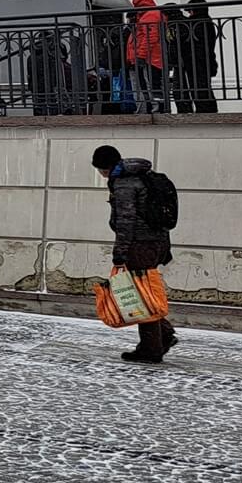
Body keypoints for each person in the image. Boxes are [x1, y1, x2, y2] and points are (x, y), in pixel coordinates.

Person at [93, 145, 179, 364]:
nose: (101, 174)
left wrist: (119, 253)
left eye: (100, 169)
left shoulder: (124, 183)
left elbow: (126, 221)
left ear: (105, 166)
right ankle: (162, 335)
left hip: (139, 245)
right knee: (143, 291)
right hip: (158, 242)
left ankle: (152, 349)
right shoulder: (144, 175)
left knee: (141, 295)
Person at [174, 0, 220, 114]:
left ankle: (205, 111)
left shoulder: (197, 23)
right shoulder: (206, 22)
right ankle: (207, 110)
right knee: (202, 87)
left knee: (200, 88)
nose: (189, 14)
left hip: (197, 61)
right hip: (203, 60)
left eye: (190, 11)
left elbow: (190, 41)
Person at [125, 0, 168, 114]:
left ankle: (157, 109)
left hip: (150, 58)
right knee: (148, 85)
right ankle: (154, 108)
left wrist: (140, 55)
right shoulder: (149, 16)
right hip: (149, 57)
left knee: (150, 85)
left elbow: (149, 38)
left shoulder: (149, 17)